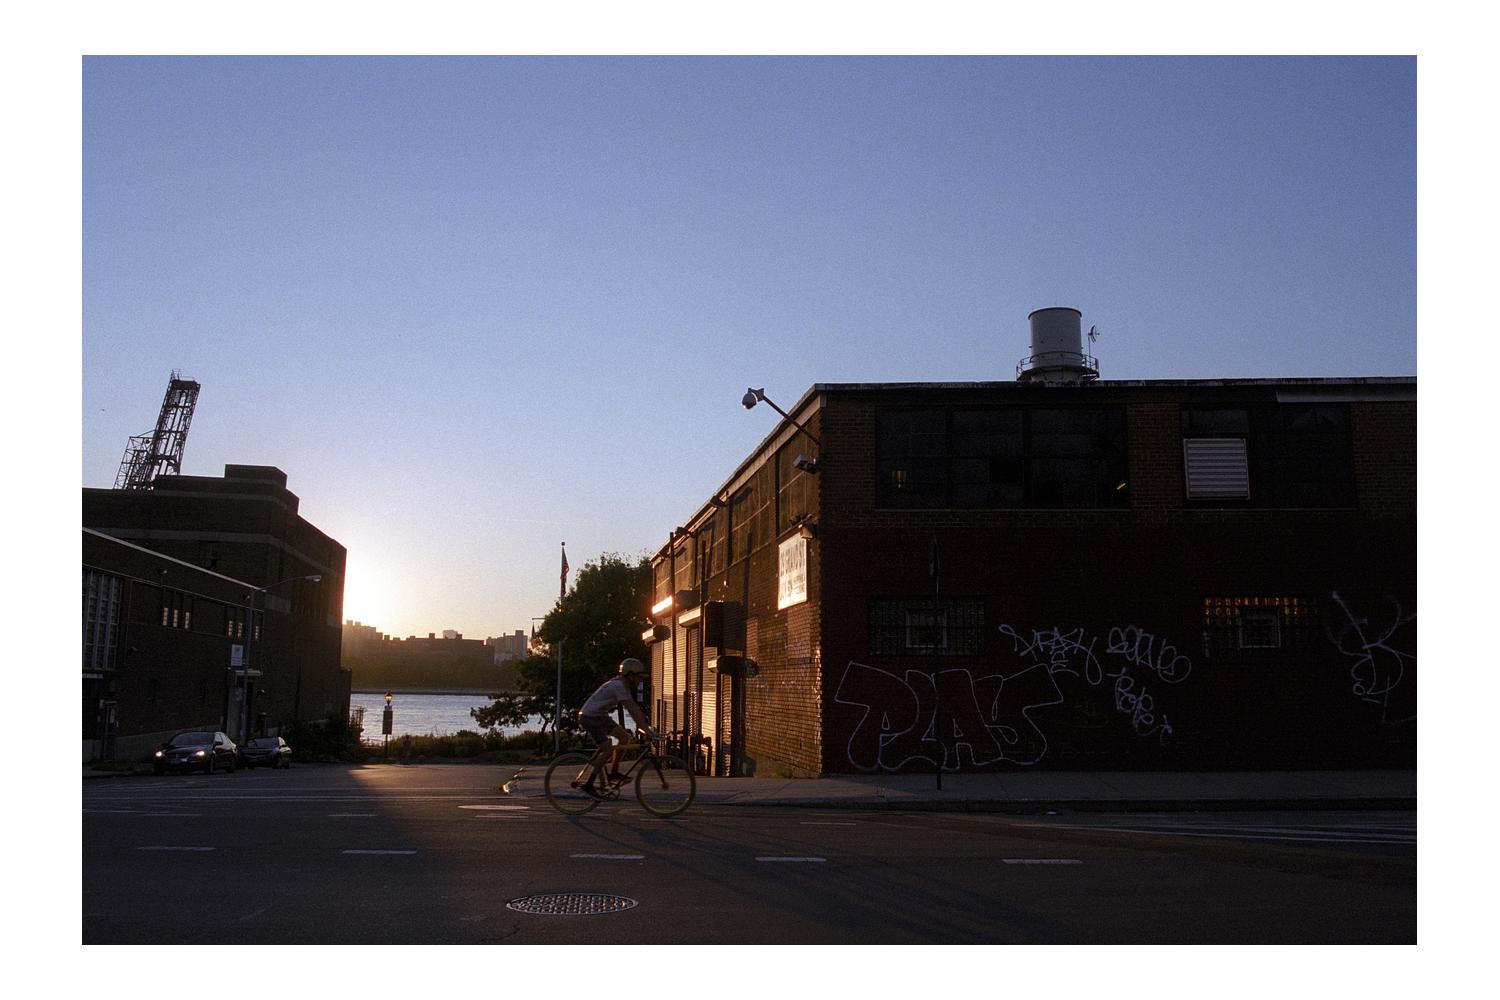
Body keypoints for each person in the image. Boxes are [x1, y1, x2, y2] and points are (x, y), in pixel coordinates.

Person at [577, 658, 655, 797]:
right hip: (589, 717)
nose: (639, 681)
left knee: (624, 737)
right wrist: (647, 730)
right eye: (638, 677)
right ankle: (589, 784)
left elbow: (635, 708)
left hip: (600, 716)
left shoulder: (622, 685)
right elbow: (632, 709)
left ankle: (613, 772)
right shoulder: (618, 686)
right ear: (630, 675)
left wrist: (644, 726)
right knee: (608, 749)